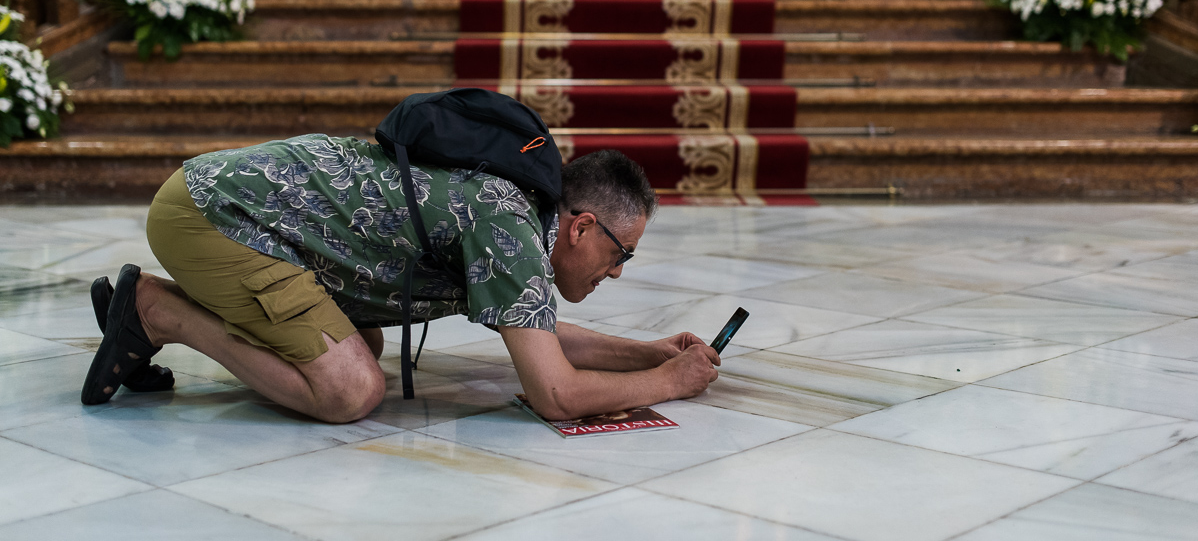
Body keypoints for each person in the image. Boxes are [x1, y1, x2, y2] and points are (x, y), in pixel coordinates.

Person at [81, 134, 721, 423]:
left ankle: (172, 305)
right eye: (621, 254)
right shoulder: (509, 227)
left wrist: (652, 351)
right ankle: (159, 311)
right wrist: (667, 381)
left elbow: (541, 333)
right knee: (349, 391)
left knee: (370, 347)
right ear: (580, 227)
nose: (617, 271)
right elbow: (554, 390)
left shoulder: (521, 206)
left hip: (225, 202)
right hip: (211, 216)